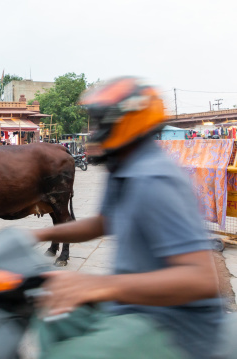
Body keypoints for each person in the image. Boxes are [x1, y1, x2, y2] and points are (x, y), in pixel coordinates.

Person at [33, 77, 222, 359]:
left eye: (100, 122)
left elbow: (200, 280)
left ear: (125, 122)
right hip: (130, 304)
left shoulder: (156, 180)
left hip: (173, 323)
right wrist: (38, 235)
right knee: (51, 317)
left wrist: (100, 285)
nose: (95, 132)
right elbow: (102, 222)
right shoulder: (122, 168)